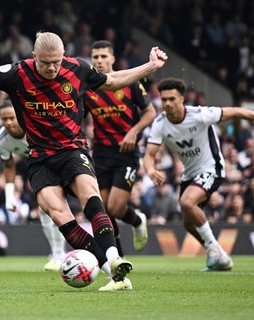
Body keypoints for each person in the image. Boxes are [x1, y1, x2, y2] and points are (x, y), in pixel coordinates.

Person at [0, 31, 168, 291]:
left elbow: (113, 80)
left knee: (91, 196)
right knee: (60, 216)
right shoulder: (16, 73)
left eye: (56, 61)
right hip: (40, 158)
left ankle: (115, 258)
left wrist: (151, 66)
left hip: (72, 150)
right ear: (34, 56)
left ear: (64, 56)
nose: (51, 68)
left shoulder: (77, 68)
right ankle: (112, 274)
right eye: (45, 62)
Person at [143, 77, 254, 271]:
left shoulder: (200, 114)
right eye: (164, 100)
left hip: (211, 167)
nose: (168, 104)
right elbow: (149, 154)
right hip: (190, 173)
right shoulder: (160, 124)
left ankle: (215, 250)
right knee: (188, 223)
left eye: (172, 99)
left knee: (187, 203)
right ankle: (218, 255)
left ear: (182, 99)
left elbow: (237, 111)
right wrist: (151, 170)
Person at [83, 40, 151, 257]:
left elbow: (149, 112)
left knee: (114, 207)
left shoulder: (129, 83)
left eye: (104, 56)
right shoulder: (87, 88)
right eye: (96, 57)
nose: (100, 61)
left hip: (126, 153)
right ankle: (118, 256)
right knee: (102, 209)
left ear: (112, 59)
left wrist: (133, 131)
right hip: (101, 153)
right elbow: (79, 119)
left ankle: (138, 220)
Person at [0, 100, 67, 271]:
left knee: (56, 208)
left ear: (19, 115)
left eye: (12, 118)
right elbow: (9, 165)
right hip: (40, 169)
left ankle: (61, 254)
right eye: (4, 119)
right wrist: (9, 195)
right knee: (44, 211)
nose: (8, 123)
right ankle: (57, 254)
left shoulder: (34, 126)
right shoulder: (2, 139)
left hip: (60, 162)